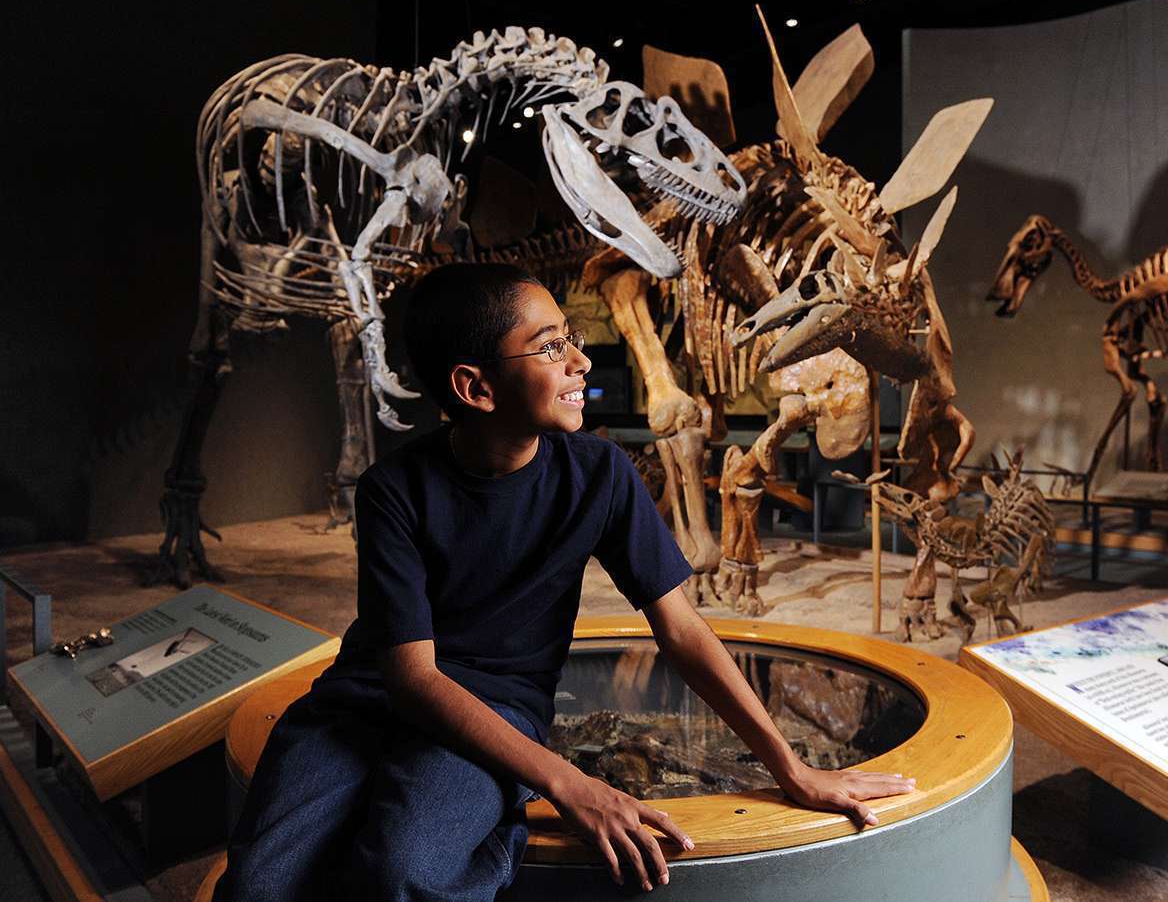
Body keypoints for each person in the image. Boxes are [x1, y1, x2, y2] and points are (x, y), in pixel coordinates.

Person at [216, 262, 914, 902]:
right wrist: (567, 782)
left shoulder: (600, 475)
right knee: (258, 883)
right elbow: (413, 679)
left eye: (570, 340)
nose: (582, 360)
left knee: (407, 871)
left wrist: (791, 767)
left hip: (497, 706)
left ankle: (491, 829)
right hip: (364, 701)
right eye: (551, 347)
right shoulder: (391, 490)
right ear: (475, 387)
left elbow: (680, 629)